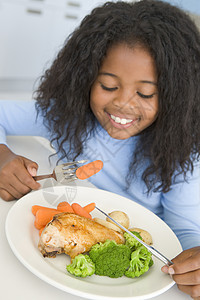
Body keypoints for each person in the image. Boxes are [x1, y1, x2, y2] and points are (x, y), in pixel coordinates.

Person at [0, 0, 200, 298]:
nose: (123, 104)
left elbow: (185, 231)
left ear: (176, 96)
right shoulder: (65, 116)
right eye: (108, 86)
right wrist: (3, 154)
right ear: (84, 78)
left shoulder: (182, 152)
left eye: (145, 93)